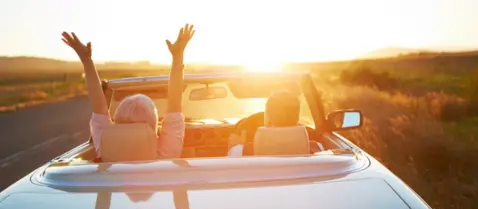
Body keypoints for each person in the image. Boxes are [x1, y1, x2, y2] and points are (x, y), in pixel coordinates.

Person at [61, 24, 195, 160]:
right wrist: (178, 56)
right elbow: (174, 102)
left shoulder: (105, 148)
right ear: (153, 125)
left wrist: (86, 60)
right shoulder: (166, 154)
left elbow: (99, 107)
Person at [227, 90, 324, 156]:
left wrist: (235, 147)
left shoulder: (240, 152)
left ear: (268, 118)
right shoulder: (318, 149)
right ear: (297, 117)